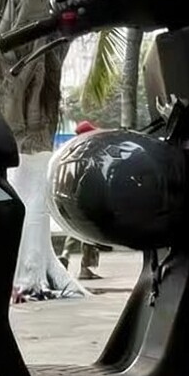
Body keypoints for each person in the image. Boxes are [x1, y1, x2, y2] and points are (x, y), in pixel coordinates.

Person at [62, 120, 103, 281]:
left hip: (71, 196)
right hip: (87, 196)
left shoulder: (72, 151)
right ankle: (86, 268)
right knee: (89, 232)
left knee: (75, 229)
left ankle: (65, 254)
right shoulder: (91, 151)